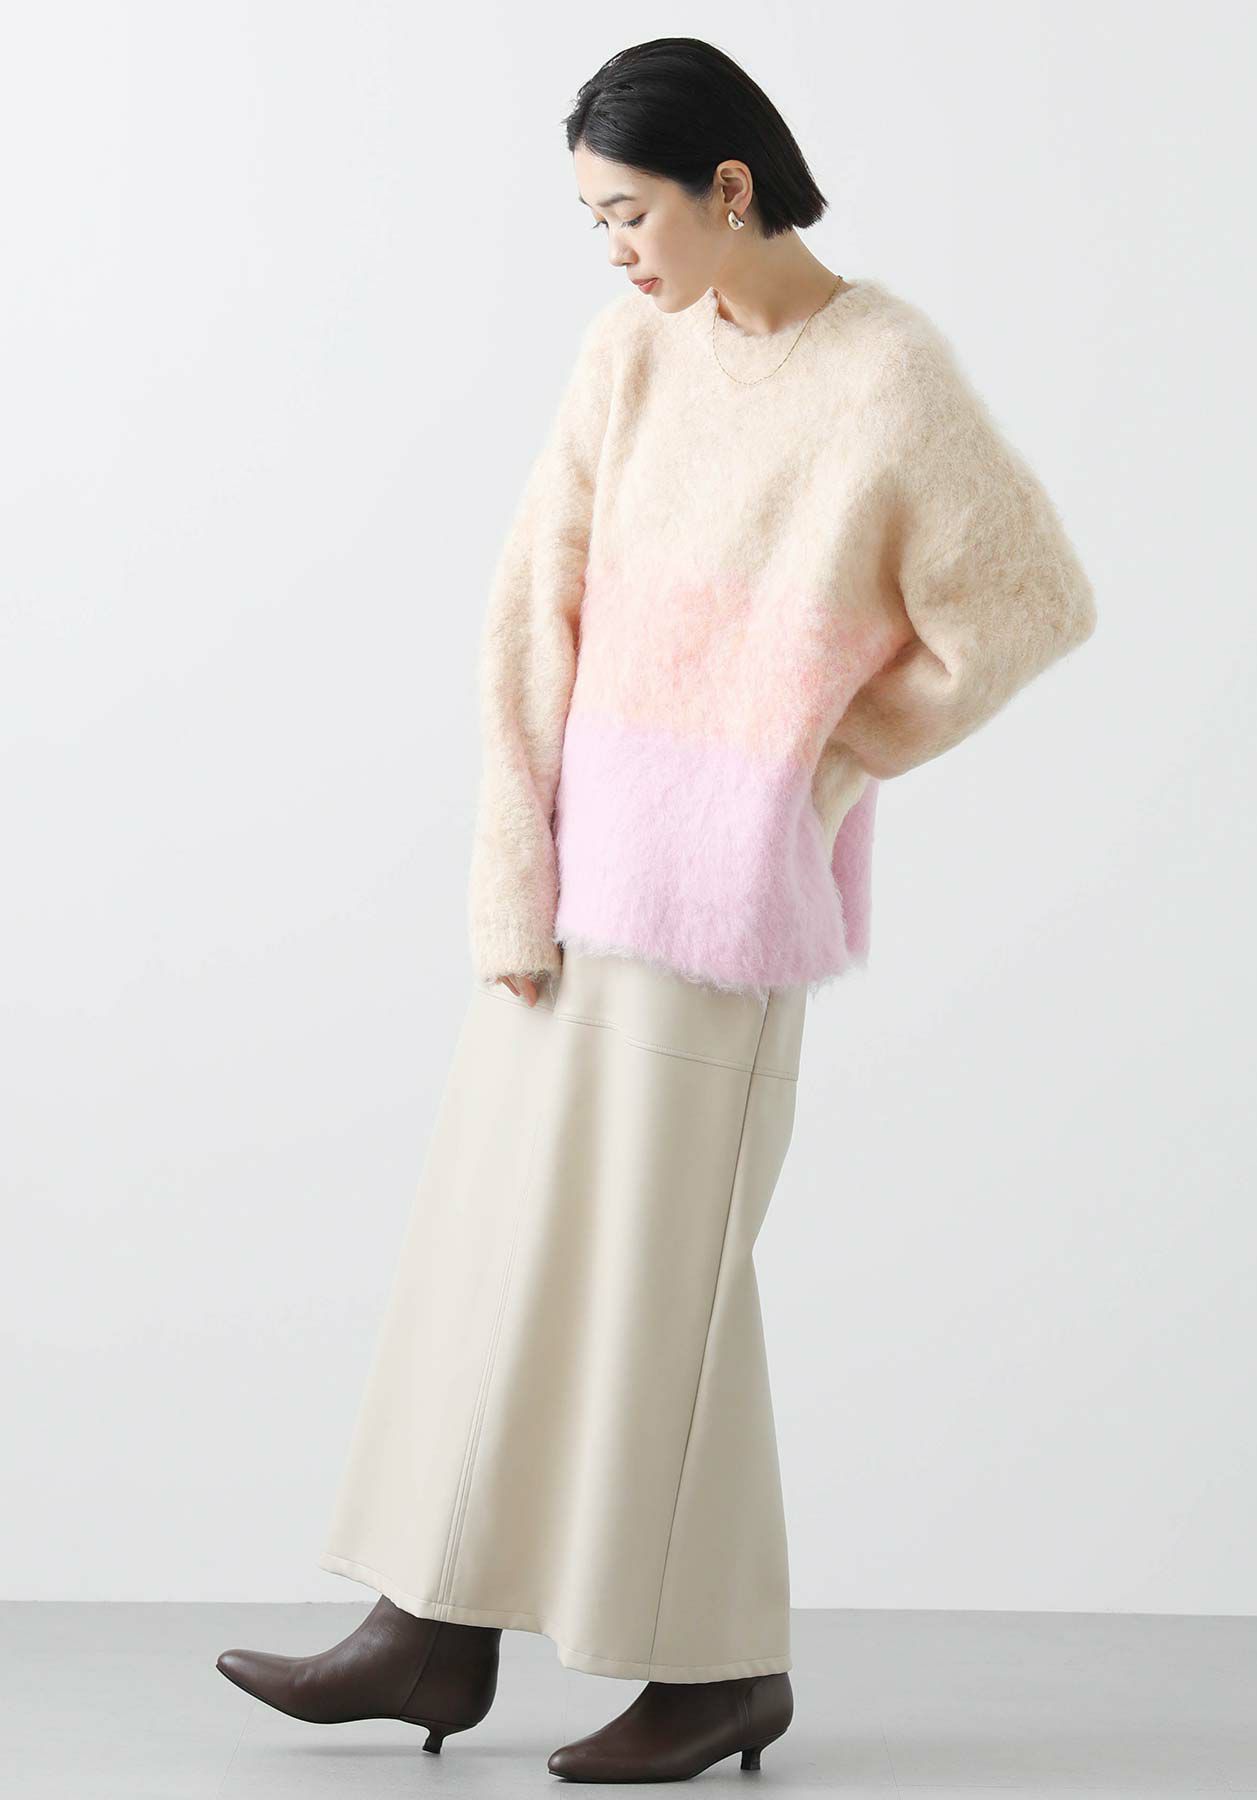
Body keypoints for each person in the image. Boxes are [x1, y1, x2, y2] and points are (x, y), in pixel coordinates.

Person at [214, 34, 1098, 1785]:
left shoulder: (888, 378)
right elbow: (527, 608)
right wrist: (512, 875)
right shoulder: (629, 355)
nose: (614, 248)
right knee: (496, 1258)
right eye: (594, 220)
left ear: (730, 188)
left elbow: (1028, 605)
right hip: (573, 891)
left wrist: (817, 760)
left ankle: (719, 1671)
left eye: (629, 212)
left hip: (721, 921)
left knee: (662, 1296)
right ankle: (433, 1623)